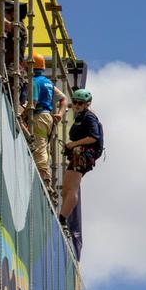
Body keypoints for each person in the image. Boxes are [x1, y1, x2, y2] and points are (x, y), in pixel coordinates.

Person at [59, 88, 103, 227]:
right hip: (79, 154)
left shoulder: (89, 117)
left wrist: (73, 144)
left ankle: (62, 219)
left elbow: (93, 137)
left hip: (83, 154)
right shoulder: (81, 117)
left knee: (71, 188)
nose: (77, 105)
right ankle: (62, 216)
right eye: (75, 102)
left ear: (87, 104)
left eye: (80, 103)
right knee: (66, 188)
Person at [25, 53, 67, 196]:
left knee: (39, 147)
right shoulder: (48, 82)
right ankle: (46, 176)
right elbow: (64, 99)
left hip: (39, 117)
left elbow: (33, 103)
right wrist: (60, 115)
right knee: (44, 147)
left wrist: (22, 115)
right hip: (48, 117)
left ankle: (45, 181)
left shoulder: (35, 81)